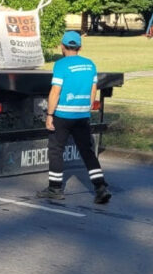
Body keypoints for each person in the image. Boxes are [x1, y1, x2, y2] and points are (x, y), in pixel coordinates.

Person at [36, 31, 111, 204]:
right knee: (87, 151)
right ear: (80, 47)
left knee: (56, 150)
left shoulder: (61, 65)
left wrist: (49, 115)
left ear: (62, 46)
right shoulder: (90, 65)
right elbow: (93, 90)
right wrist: (88, 107)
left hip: (62, 114)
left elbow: (55, 91)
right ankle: (100, 187)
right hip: (82, 115)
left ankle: (55, 188)